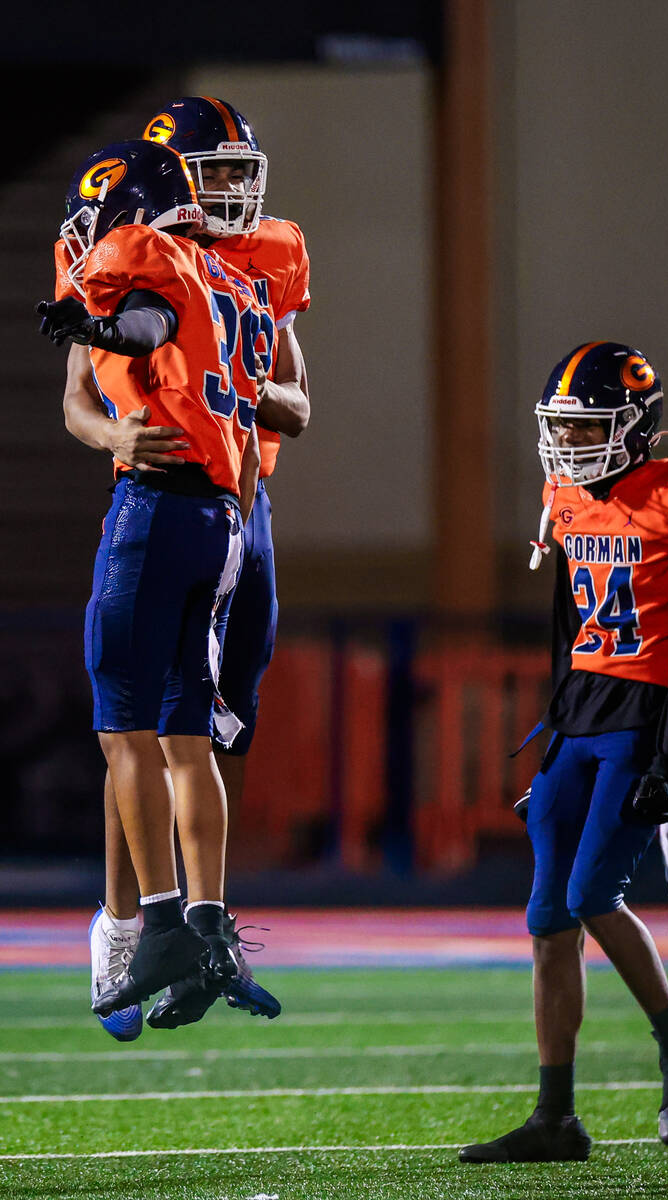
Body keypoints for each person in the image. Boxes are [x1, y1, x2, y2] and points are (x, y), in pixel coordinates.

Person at [58, 97, 310, 1038]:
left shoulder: (262, 260)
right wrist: (120, 431)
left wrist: (229, 374)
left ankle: (205, 922)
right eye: (216, 171)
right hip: (163, 485)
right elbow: (80, 400)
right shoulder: (132, 249)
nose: (236, 192)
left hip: (245, 505)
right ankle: (126, 923)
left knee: (214, 723)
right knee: (141, 719)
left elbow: (298, 404)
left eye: (245, 171)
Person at [458, 341, 668, 1163]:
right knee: (547, 919)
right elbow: (566, 625)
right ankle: (556, 1117)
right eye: (562, 428)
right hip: (578, 719)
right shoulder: (569, 498)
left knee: (590, 895)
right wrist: (552, 734)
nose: (569, 445)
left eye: (587, 428)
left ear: (635, 428)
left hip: (639, 718)